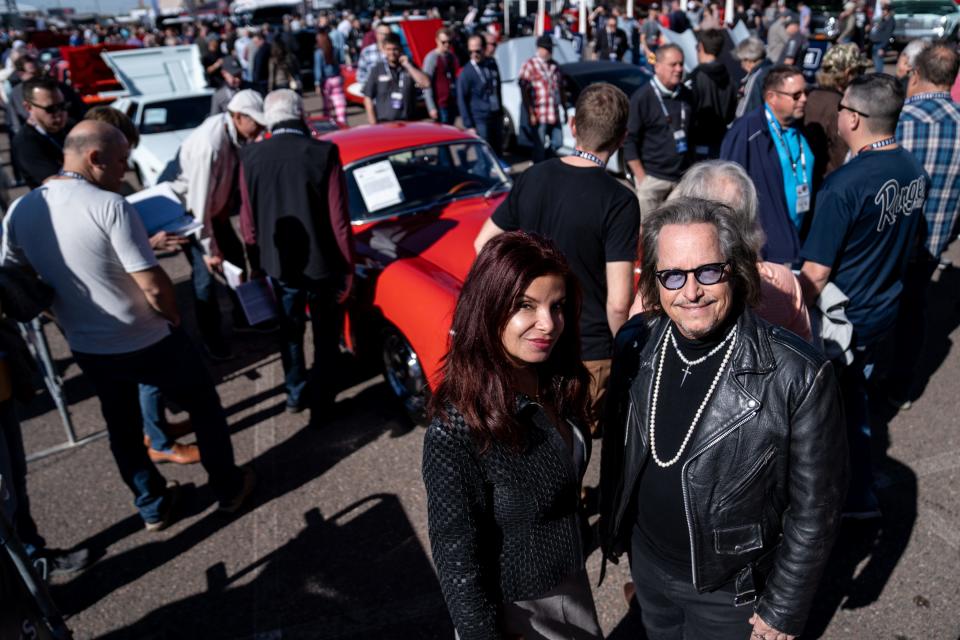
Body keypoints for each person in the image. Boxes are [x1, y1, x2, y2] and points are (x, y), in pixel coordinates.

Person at [599, 197, 847, 640]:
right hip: (649, 567)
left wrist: (784, 607)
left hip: (729, 591)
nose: (690, 291)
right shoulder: (636, 343)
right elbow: (621, 451)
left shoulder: (798, 375)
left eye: (707, 272)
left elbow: (816, 509)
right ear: (655, 282)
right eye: (672, 276)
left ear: (735, 269)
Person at [1, 121, 255, 530]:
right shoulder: (110, 206)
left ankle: (152, 505)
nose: (125, 169)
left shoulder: (20, 210)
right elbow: (153, 285)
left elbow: (16, 283)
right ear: (94, 158)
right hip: (148, 336)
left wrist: (60, 315)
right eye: (120, 161)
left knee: (121, 426)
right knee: (204, 407)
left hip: (89, 345)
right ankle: (228, 487)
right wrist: (172, 316)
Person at [423, 231, 602, 640]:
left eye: (557, 306)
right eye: (525, 306)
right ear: (488, 308)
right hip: (519, 607)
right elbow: (456, 554)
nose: (548, 324)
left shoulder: (557, 379)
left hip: (568, 577)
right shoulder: (456, 427)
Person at [474, 83, 640, 435]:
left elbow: (482, 244)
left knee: (542, 443)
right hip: (589, 346)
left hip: (532, 339)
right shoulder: (620, 200)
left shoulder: (533, 175)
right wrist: (628, 354)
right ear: (622, 137)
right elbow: (619, 302)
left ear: (573, 125)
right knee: (587, 446)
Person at [799, 73, 927, 518]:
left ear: (853, 118)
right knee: (860, 403)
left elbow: (814, 273)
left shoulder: (843, 186)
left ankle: (849, 498)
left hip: (846, 320)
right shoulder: (913, 168)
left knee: (837, 415)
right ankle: (859, 487)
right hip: (884, 308)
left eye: (841, 110)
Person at [238, 90, 354, 424]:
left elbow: (248, 223)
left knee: (289, 330)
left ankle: (294, 392)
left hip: (278, 262)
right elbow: (339, 220)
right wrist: (348, 268)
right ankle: (323, 401)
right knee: (324, 333)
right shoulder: (323, 151)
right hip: (322, 263)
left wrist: (255, 264)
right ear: (301, 113)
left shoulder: (250, 156)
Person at [0, 269, 92, 575]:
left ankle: (33, 558)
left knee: (14, 480)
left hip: (4, 386)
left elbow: (25, 302)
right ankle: (23, 590)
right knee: (5, 496)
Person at [167, 89, 267, 360]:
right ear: (237, 117)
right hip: (192, 219)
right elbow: (198, 205)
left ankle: (243, 318)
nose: (259, 128)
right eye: (255, 122)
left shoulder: (235, 136)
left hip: (214, 213)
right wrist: (210, 251)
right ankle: (212, 340)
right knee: (205, 280)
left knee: (235, 259)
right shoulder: (208, 145)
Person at [886, 44, 960, 407]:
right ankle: (900, 387)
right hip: (936, 238)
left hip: (890, 237)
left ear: (915, 74)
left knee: (882, 307)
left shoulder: (900, 117)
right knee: (914, 307)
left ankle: (872, 382)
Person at [721, 65, 813, 265]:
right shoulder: (747, 131)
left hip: (797, 242)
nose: (804, 99)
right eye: (796, 95)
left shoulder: (799, 127)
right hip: (767, 252)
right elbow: (727, 193)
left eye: (806, 92)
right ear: (772, 97)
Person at [624, 44, 694, 218]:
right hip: (653, 180)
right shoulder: (642, 98)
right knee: (648, 237)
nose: (679, 69)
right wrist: (642, 179)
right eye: (673, 64)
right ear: (658, 66)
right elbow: (629, 140)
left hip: (680, 181)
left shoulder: (687, 94)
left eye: (681, 64)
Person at [803, 44, 868, 184]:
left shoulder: (807, 98)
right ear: (848, 73)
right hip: (830, 185)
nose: (862, 75)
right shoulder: (841, 107)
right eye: (860, 71)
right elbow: (844, 157)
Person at [13, 77, 73, 189]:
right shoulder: (25, 143)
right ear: (28, 107)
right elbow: (57, 184)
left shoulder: (71, 126)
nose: (59, 113)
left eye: (62, 106)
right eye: (51, 109)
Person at [688, 29, 737, 159]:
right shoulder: (729, 75)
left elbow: (687, 109)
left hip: (700, 140)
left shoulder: (696, 76)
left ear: (701, 47)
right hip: (721, 138)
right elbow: (732, 111)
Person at [362, 32, 430, 124]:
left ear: (401, 49)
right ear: (383, 50)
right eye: (388, 49)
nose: (392, 53)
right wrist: (373, 123)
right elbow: (368, 98)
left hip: (409, 123)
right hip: (385, 124)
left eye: (395, 49)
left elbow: (426, 84)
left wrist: (408, 65)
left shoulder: (410, 67)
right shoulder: (377, 69)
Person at [519, 35, 564, 163]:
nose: (550, 51)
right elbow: (524, 90)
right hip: (539, 113)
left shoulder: (555, 66)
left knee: (558, 141)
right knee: (539, 144)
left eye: (551, 49)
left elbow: (560, 88)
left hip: (553, 112)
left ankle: (547, 160)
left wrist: (564, 108)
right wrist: (530, 112)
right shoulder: (530, 65)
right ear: (539, 49)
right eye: (547, 48)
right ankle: (539, 168)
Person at [457, 34, 504, 155]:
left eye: (477, 51)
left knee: (497, 149)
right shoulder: (466, 72)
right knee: (484, 152)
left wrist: (500, 111)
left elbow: (497, 88)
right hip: (480, 117)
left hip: (495, 113)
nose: (474, 54)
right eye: (470, 51)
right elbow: (461, 99)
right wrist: (469, 125)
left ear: (484, 48)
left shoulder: (491, 64)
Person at [422, 27, 460, 125]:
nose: (447, 45)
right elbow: (426, 84)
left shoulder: (452, 57)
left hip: (451, 102)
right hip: (439, 103)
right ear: (437, 41)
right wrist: (431, 107)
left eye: (449, 42)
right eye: (443, 42)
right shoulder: (431, 58)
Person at [313, 29, 347, 126]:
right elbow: (342, 61)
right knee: (339, 104)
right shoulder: (335, 49)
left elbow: (318, 69)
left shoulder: (318, 53)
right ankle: (342, 123)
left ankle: (328, 124)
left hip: (326, 81)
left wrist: (317, 83)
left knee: (327, 106)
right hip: (337, 78)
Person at [733, 36, 771, 117]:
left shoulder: (755, 78)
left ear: (749, 60)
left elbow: (745, 111)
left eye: (742, 61)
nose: (741, 65)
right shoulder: (773, 68)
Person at [868, 3, 895, 74]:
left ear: (888, 11)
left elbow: (888, 36)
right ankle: (878, 76)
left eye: (884, 10)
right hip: (875, 44)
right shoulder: (883, 20)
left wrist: (883, 48)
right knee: (876, 62)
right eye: (882, 10)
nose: (882, 12)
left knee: (879, 63)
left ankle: (880, 78)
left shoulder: (890, 21)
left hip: (880, 45)